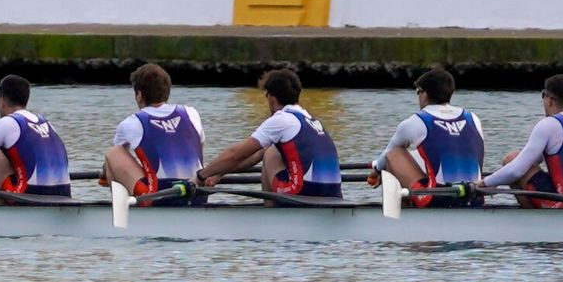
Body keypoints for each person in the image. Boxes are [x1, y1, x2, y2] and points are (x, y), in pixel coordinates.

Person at [196, 68, 341, 199]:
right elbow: (254, 156)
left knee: (270, 153)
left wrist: (202, 174)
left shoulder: (281, 119)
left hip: (303, 191)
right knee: (270, 150)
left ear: (271, 97)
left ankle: (271, 214)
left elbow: (236, 154)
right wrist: (218, 173)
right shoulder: (310, 119)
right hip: (334, 192)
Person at [474, 73, 563, 208]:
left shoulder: (549, 124)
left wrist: (483, 183)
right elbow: (536, 159)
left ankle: (533, 223)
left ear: (549, 99)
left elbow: (516, 170)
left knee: (511, 159)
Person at [368, 68, 485, 207]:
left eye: (418, 92)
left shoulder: (417, 121)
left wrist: (375, 172)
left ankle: (401, 219)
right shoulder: (473, 118)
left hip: (438, 199)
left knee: (394, 154)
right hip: (475, 198)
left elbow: (386, 155)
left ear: (424, 95)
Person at [102, 63, 205, 205]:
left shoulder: (131, 123)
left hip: (161, 196)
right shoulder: (191, 113)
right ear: (167, 91)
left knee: (113, 153)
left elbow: (114, 165)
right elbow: (200, 150)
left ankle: (125, 213)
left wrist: (104, 175)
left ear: (139, 95)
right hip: (197, 193)